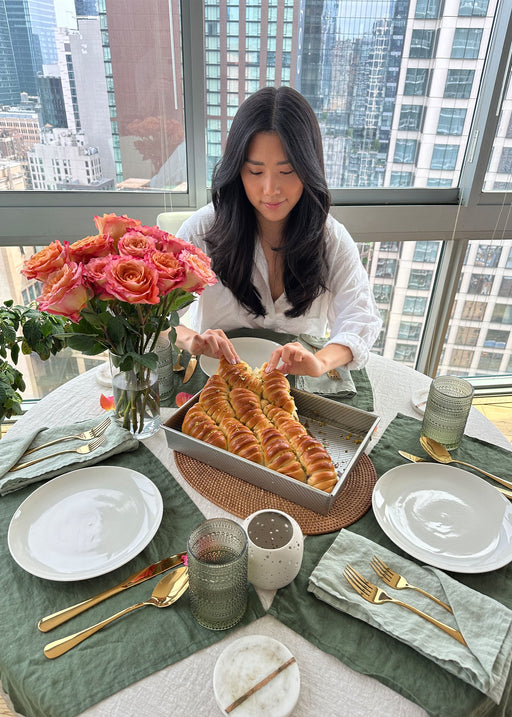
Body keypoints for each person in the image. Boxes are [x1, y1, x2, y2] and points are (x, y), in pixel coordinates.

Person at [175, 86, 382, 377]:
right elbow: (152, 316)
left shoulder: (330, 239)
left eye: (287, 172)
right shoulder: (202, 230)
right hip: (216, 382)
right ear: (237, 170)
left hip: (294, 387)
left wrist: (321, 361)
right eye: (255, 172)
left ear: (309, 169)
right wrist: (192, 339)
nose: (270, 189)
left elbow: (360, 317)